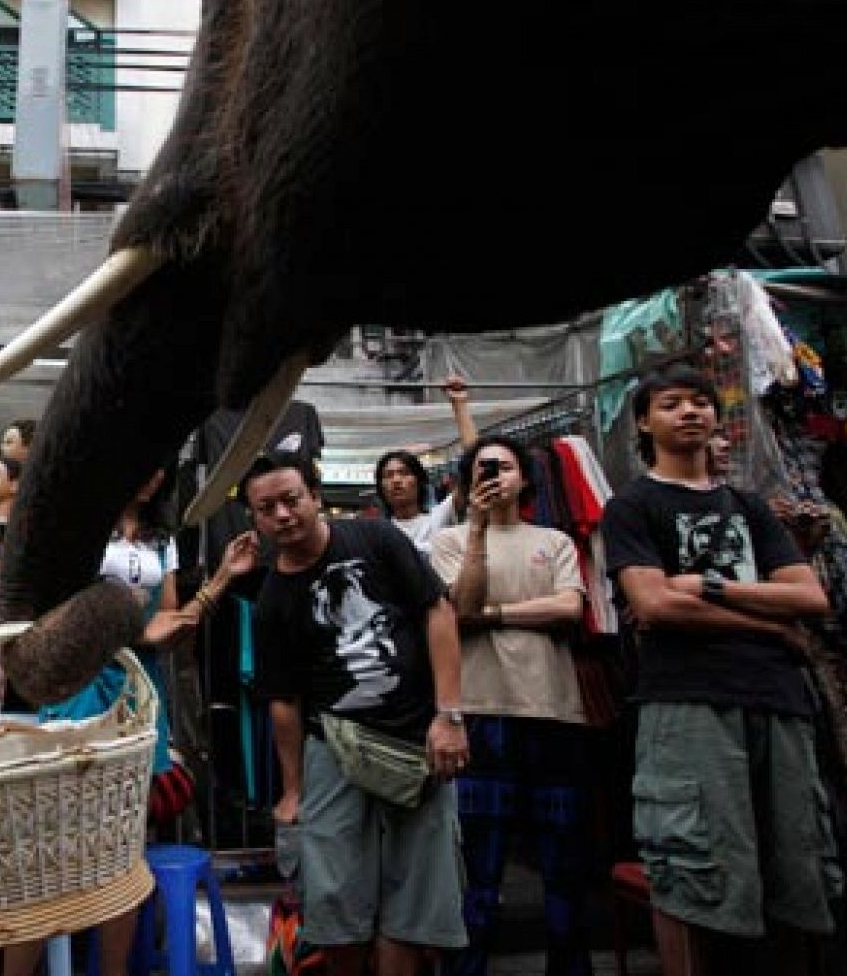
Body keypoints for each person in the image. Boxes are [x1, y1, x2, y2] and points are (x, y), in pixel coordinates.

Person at [600, 365, 837, 976]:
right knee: (689, 859)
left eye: (700, 402)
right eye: (671, 403)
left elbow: (810, 597)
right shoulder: (631, 506)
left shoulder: (748, 506)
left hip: (778, 699)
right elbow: (655, 605)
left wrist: (706, 587)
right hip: (687, 698)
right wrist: (771, 626)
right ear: (644, 423)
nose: (690, 412)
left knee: (797, 861)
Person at [3, 464, 257, 976]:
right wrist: (127, 628)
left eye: (160, 465)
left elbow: (168, 619)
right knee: (52, 847)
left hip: (139, 691)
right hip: (78, 686)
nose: (151, 473)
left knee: (124, 847)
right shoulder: (74, 530)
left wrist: (223, 578)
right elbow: (54, 615)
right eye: (140, 459)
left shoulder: (162, 540)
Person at [245, 451, 470, 976]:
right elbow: (283, 700)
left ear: (315, 496)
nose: (282, 515)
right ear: (254, 519)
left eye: (291, 500)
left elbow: (437, 611)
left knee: (415, 902)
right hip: (334, 748)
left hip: (416, 740)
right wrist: (292, 789)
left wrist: (450, 716)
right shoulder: (272, 599)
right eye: (266, 508)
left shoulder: (375, 539)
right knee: (333, 899)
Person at [428, 436, 591, 976]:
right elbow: (461, 609)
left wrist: (495, 615)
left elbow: (569, 608)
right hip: (480, 711)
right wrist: (475, 529)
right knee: (479, 866)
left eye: (504, 466)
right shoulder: (450, 541)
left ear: (525, 478)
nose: (494, 475)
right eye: (482, 468)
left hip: (553, 710)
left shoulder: (555, 540)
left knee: (563, 864)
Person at [374, 375, 478, 557]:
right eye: (388, 475)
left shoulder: (438, 518)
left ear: (419, 481)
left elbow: (474, 469)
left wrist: (459, 404)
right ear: (381, 487)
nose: (396, 480)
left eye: (404, 473)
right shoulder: (377, 533)